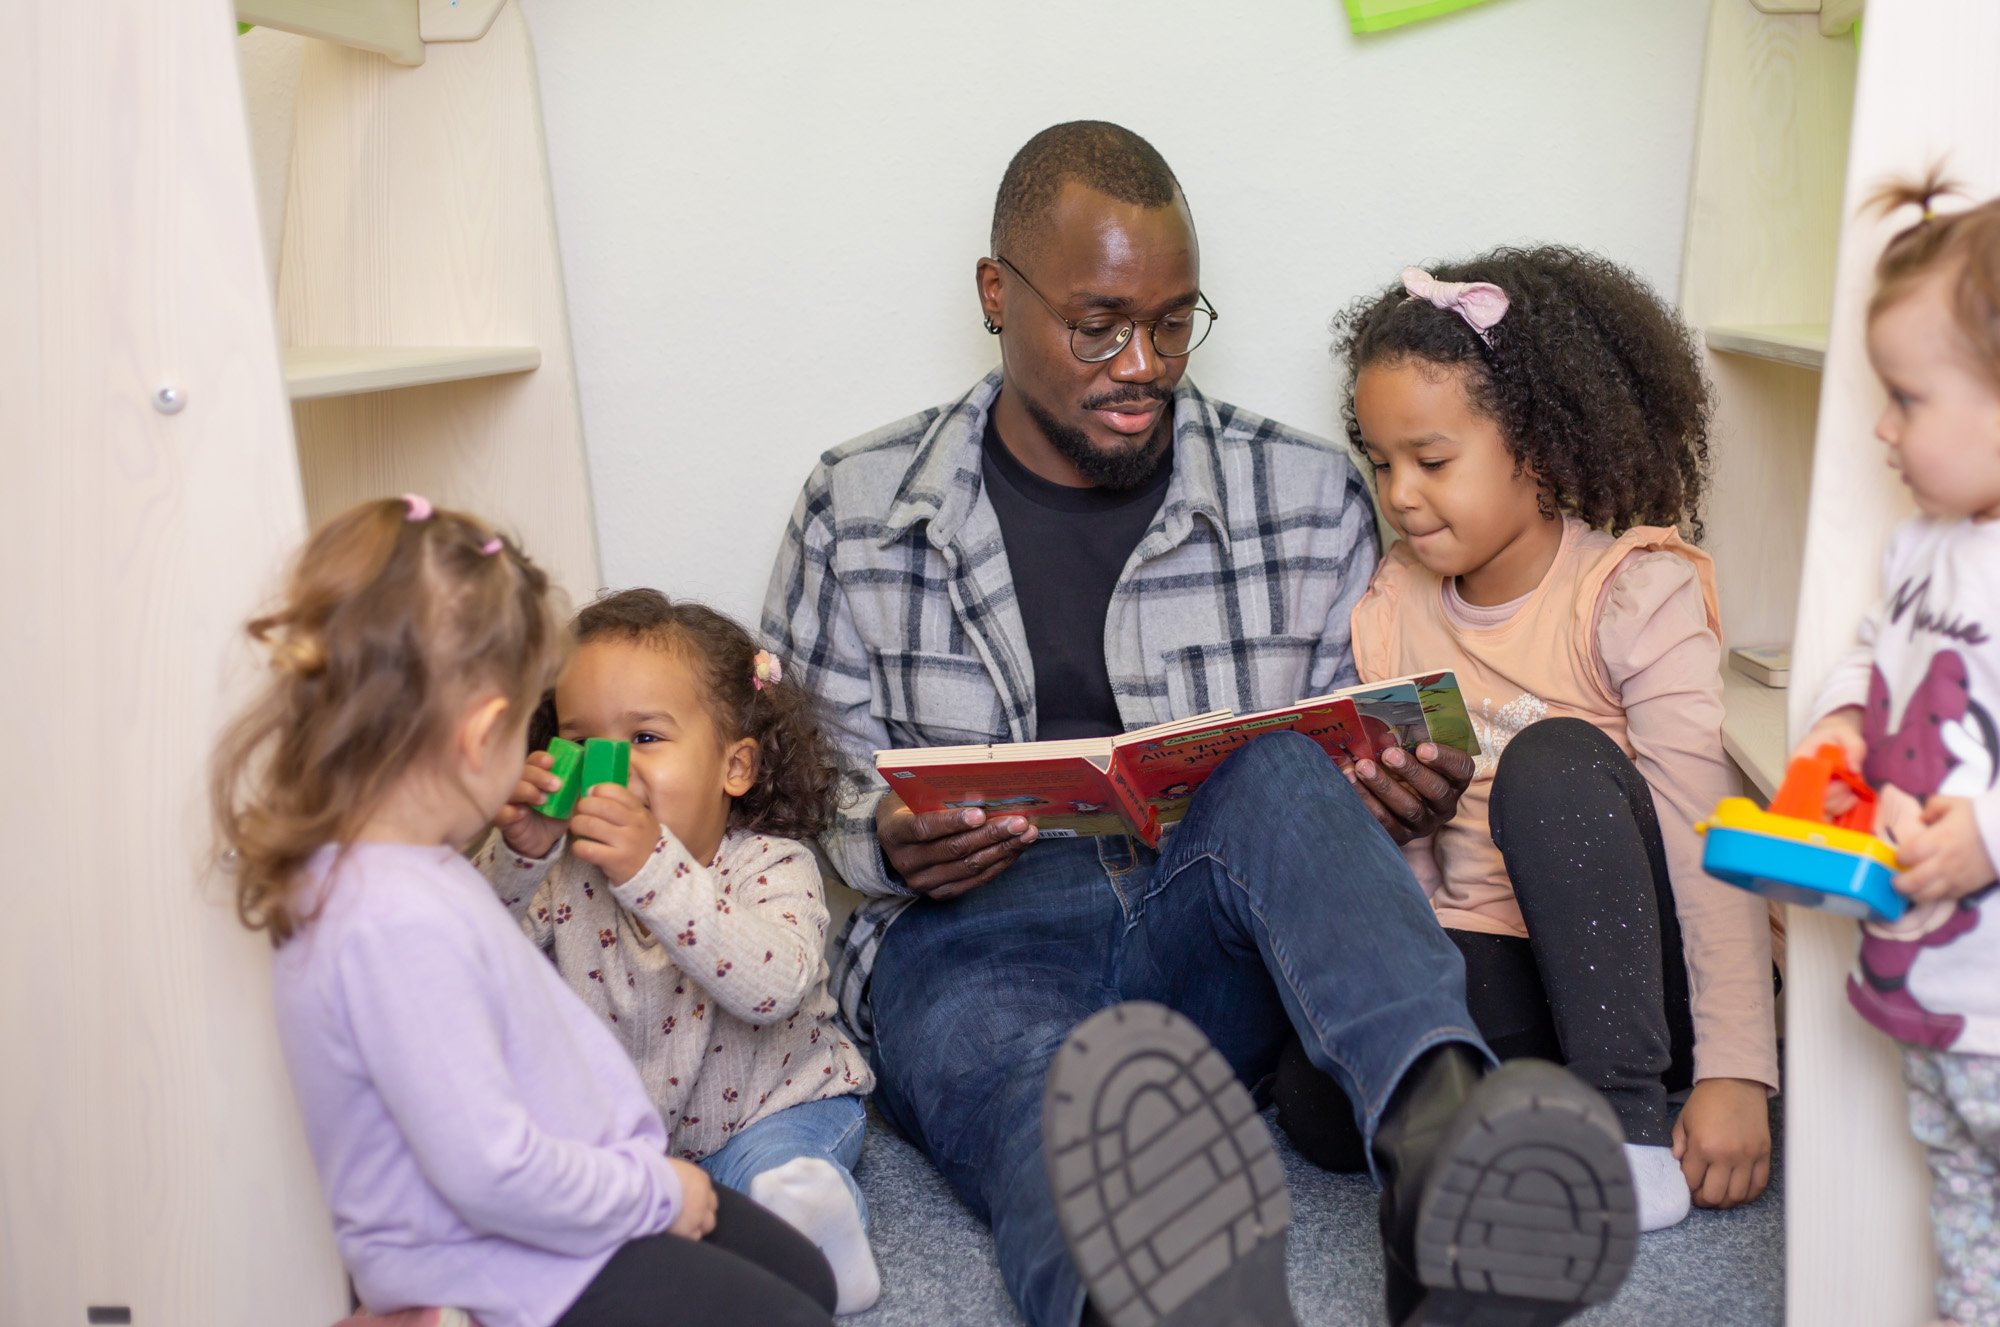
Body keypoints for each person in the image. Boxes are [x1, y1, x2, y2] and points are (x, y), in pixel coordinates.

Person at [762, 121, 1637, 1327]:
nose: (1142, 363)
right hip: (967, 949)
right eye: (1098, 325)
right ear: (993, 294)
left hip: (1212, 925)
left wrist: (1394, 786)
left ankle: (1449, 1173)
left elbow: (1349, 759)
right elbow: (806, 793)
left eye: (1172, 323)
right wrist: (886, 840)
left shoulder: (1303, 491)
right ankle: (1166, 1288)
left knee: (1277, 773)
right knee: (1047, 1104)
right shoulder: (857, 509)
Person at [211, 497, 838, 1327]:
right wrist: (654, 1192)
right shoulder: (390, 917)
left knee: (807, 1279)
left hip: (581, 1187)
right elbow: (491, 1172)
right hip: (511, 1250)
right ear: (484, 738)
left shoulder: (409, 873)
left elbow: (487, 962)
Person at [1270, 248, 1781, 1234]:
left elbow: (1701, 837)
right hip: (1496, 944)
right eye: (1380, 465)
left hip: (1643, 963)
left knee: (1546, 762)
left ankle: (1627, 1124)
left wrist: (1732, 1071)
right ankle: (1525, 1111)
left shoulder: (1631, 593)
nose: (1400, 495)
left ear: (1537, 452)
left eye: (1430, 461)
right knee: (1317, 1103)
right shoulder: (1388, 607)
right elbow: (1412, 869)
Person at [478, 590, 880, 1313]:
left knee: (770, 1175)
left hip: (776, 1104)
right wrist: (518, 854)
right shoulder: (563, 869)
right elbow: (470, 956)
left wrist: (653, 869)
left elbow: (772, 984)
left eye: (645, 739)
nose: (609, 766)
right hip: (635, 1140)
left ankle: (817, 1227)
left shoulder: (771, 864)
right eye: (581, 739)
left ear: (736, 767)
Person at [1793, 174, 2000, 1327]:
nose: (1879, 427)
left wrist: (1985, 833)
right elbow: (1881, 654)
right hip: (1935, 995)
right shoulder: (1922, 547)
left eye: (1905, 398)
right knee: (1961, 1207)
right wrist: (1838, 718)